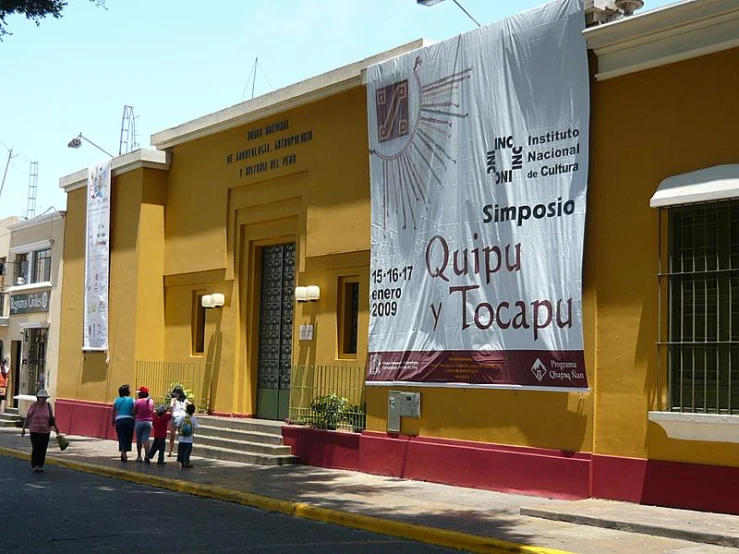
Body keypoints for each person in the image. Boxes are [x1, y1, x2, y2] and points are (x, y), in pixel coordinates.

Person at [20, 389, 60, 472]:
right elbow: (28, 417)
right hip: (35, 431)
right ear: (38, 398)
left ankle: (40, 465)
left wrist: (56, 429)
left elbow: (52, 418)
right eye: (42, 397)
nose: (43, 399)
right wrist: (23, 429)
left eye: (45, 398)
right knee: (36, 448)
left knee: (43, 448)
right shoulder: (33, 406)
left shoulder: (49, 406)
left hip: (45, 431)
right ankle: (35, 465)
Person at [111, 384, 135, 462]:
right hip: (129, 420)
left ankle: (122, 453)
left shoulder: (116, 400)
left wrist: (113, 420)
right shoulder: (132, 400)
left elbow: (113, 411)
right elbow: (134, 411)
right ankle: (125, 453)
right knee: (128, 436)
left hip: (119, 420)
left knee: (121, 437)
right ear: (128, 392)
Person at [131, 386, 155, 463]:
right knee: (146, 439)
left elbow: (133, 412)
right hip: (148, 422)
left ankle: (139, 456)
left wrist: (135, 416)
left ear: (142, 393)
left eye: (140, 393)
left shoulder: (138, 401)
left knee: (139, 439)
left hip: (139, 421)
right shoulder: (151, 401)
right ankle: (147, 456)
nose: (139, 394)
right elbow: (152, 411)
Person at [168, 386, 189, 457]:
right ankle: (181, 452)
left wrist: (172, 413)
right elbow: (191, 405)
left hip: (175, 418)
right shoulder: (185, 400)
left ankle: (171, 451)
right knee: (181, 436)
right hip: (183, 418)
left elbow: (171, 406)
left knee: (172, 436)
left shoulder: (173, 399)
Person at [176, 403, 199, 469]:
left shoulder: (183, 417)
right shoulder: (193, 419)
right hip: (189, 439)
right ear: (193, 411)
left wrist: (179, 432)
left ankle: (181, 462)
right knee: (187, 451)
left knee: (181, 450)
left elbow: (178, 424)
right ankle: (186, 462)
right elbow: (197, 427)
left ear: (186, 410)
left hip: (181, 438)